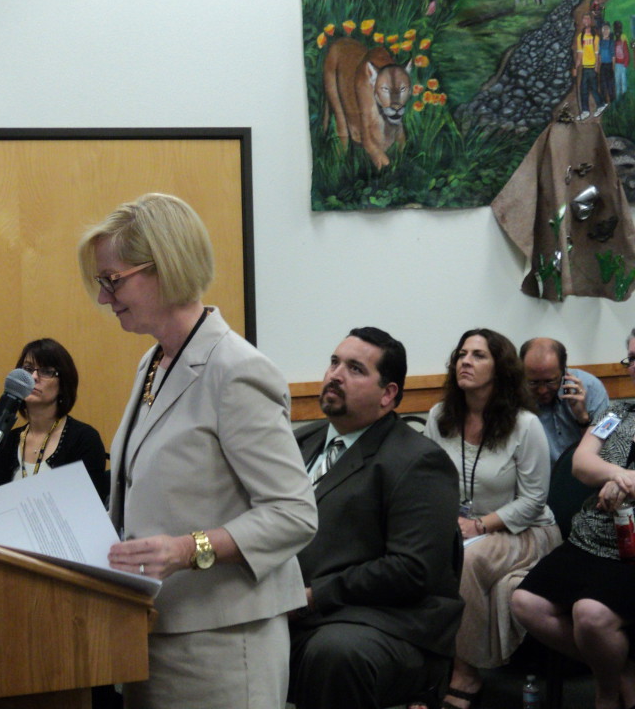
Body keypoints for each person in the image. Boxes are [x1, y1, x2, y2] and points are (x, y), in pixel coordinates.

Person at [78, 192, 317, 709]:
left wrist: (190, 549)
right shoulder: (154, 363)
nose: (104, 297)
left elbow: (294, 513)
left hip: (224, 644)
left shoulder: (236, 370)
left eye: (112, 279)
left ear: (164, 266)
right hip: (155, 629)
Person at [288, 327, 463, 709]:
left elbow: (411, 569)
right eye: (334, 362)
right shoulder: (304, 439)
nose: (335, 374)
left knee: (335, 654)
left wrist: (316, 596)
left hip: (384, 621)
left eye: (355, 369)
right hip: (296, 604)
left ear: (388, 395)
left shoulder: (418, 460)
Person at [424, 328, 561, 709]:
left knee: (466, 558)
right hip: (460, 526)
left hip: (526, 529)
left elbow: (535, 500)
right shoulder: (440, 416)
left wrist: (480, 525)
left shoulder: (524, 425)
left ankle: (466, 672)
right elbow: (429, 479)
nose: (465, 361)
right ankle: (427, 662)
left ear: (500, 369)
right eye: (461, 354)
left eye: (478, 355)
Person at [512, 328, 635, 709]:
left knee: (590, 614)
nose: (632, 368)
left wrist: (627, 485)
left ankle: (605, 694)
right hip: (592, 539)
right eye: (631, 359)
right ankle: (623, 671)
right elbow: (581, 464)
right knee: (524, 603)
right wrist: (621, 477)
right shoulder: (617, 413)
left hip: (630, 553)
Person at [0, 337, 109, 502]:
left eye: (46, 371)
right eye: (27, 369)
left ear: (63, 384)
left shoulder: (84, 439)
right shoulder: (7, 441)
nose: (33, 377)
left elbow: (88, 507)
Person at [521, 337, 609, 464]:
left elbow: (606, 452)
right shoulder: (514, 395)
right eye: (533, 382)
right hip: (538, 476)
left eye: (550, 381)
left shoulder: (590, 387)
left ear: (564, 370)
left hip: (585, 473)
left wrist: (583, 419)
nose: (542, 390)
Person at [575, 12, 607, 121]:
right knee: (586, 88)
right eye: (585, 19)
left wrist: (597, 66)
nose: (586, 21)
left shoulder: (595, 36)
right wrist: (576, 66)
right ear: (583, 21)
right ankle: (592, 108)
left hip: (592, 66)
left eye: (588, 19)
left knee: (590, 88)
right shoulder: (580, 37)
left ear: (591, 21)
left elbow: (597, 53)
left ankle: (590, 109)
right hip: (585, 66)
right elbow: (580, 53)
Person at [600, 22, 616, 104]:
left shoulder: (611, 42)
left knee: (610, 86)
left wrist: (613, 67)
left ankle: (613, 102)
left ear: (609, 31)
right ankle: (604, 103)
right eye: (604, 29)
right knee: (603, 85)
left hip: (609, 65)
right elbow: (599, 55)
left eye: (607, 29)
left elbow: (613, 56)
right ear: (602, 31)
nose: (605, 31)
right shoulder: (600, 41)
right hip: (602, 65)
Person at [614, 20, 629, 97]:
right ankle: (618, 96)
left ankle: (624, 96)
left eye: (619, 28)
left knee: (623, 81)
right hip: (616, 64)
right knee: (617, 81)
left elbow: (626, 51)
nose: (617, 30)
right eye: (616, 28)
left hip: (623, 64)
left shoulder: (623, 37)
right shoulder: (613, 38)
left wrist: (626, 63)